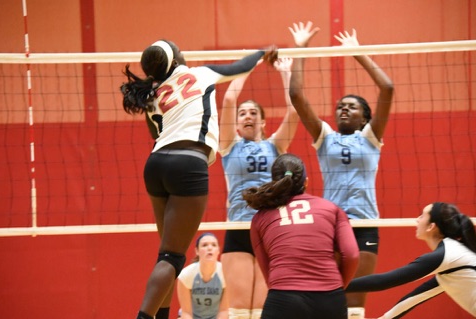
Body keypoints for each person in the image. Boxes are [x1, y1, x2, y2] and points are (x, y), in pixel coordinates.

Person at [120, 39, 278, 319]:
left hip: (156, 165)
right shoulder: (200, 73)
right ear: (176, 60)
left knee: (167, 254)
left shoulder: (152, 95)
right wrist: (262, 53)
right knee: (172, 257)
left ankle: (163, 315)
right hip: (188, 163)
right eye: (178, 49)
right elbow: (239, 67)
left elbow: (156, 135)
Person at [288, 21, 394, 316]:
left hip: (364, 225)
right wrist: (301, 47)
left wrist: (357, 52)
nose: (343, 109)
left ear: (364, 118)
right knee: (328, 298)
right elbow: (296, 95)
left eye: (351, 106)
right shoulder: (325, 138)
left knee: (356, 303)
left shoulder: (370, 138)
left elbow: (387, 88)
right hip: (330, 225)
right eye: (339, 106)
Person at [218, 57, 299, 319]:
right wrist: (248, 64)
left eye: (254, 113)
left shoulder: (275, 146)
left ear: (264, 122)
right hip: (238, 227)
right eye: (243, 114)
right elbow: (229, 100)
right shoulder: (229, 146)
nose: (248, 116)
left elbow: (295, 111)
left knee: (265, 310)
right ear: (237, 123)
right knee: (239, 311)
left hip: (269, 228)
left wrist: (285, 73)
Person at [242, 153, 360, 319]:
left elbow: (266, 267)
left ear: (275, 181)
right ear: (306, 181)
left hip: (283, 297)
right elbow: (352, 255)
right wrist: (336, 287)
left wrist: (284, 288)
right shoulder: (332, 209)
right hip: (330, 298)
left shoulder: (260, 217)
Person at [346, 202, 476, 318]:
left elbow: (383, 281)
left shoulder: (447, 255)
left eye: (422, 216)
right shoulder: (452, 259)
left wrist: (335, 286)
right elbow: (415, 297)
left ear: (431, 226)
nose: (417, 220)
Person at [177, 233, 229, 319]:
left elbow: (224, 311)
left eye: (214, 245)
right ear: (197, 251)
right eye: (204, 245)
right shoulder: (186, 274)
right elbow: (186, 313)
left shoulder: (226, 273)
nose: (209, 248)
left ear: (218, 250)